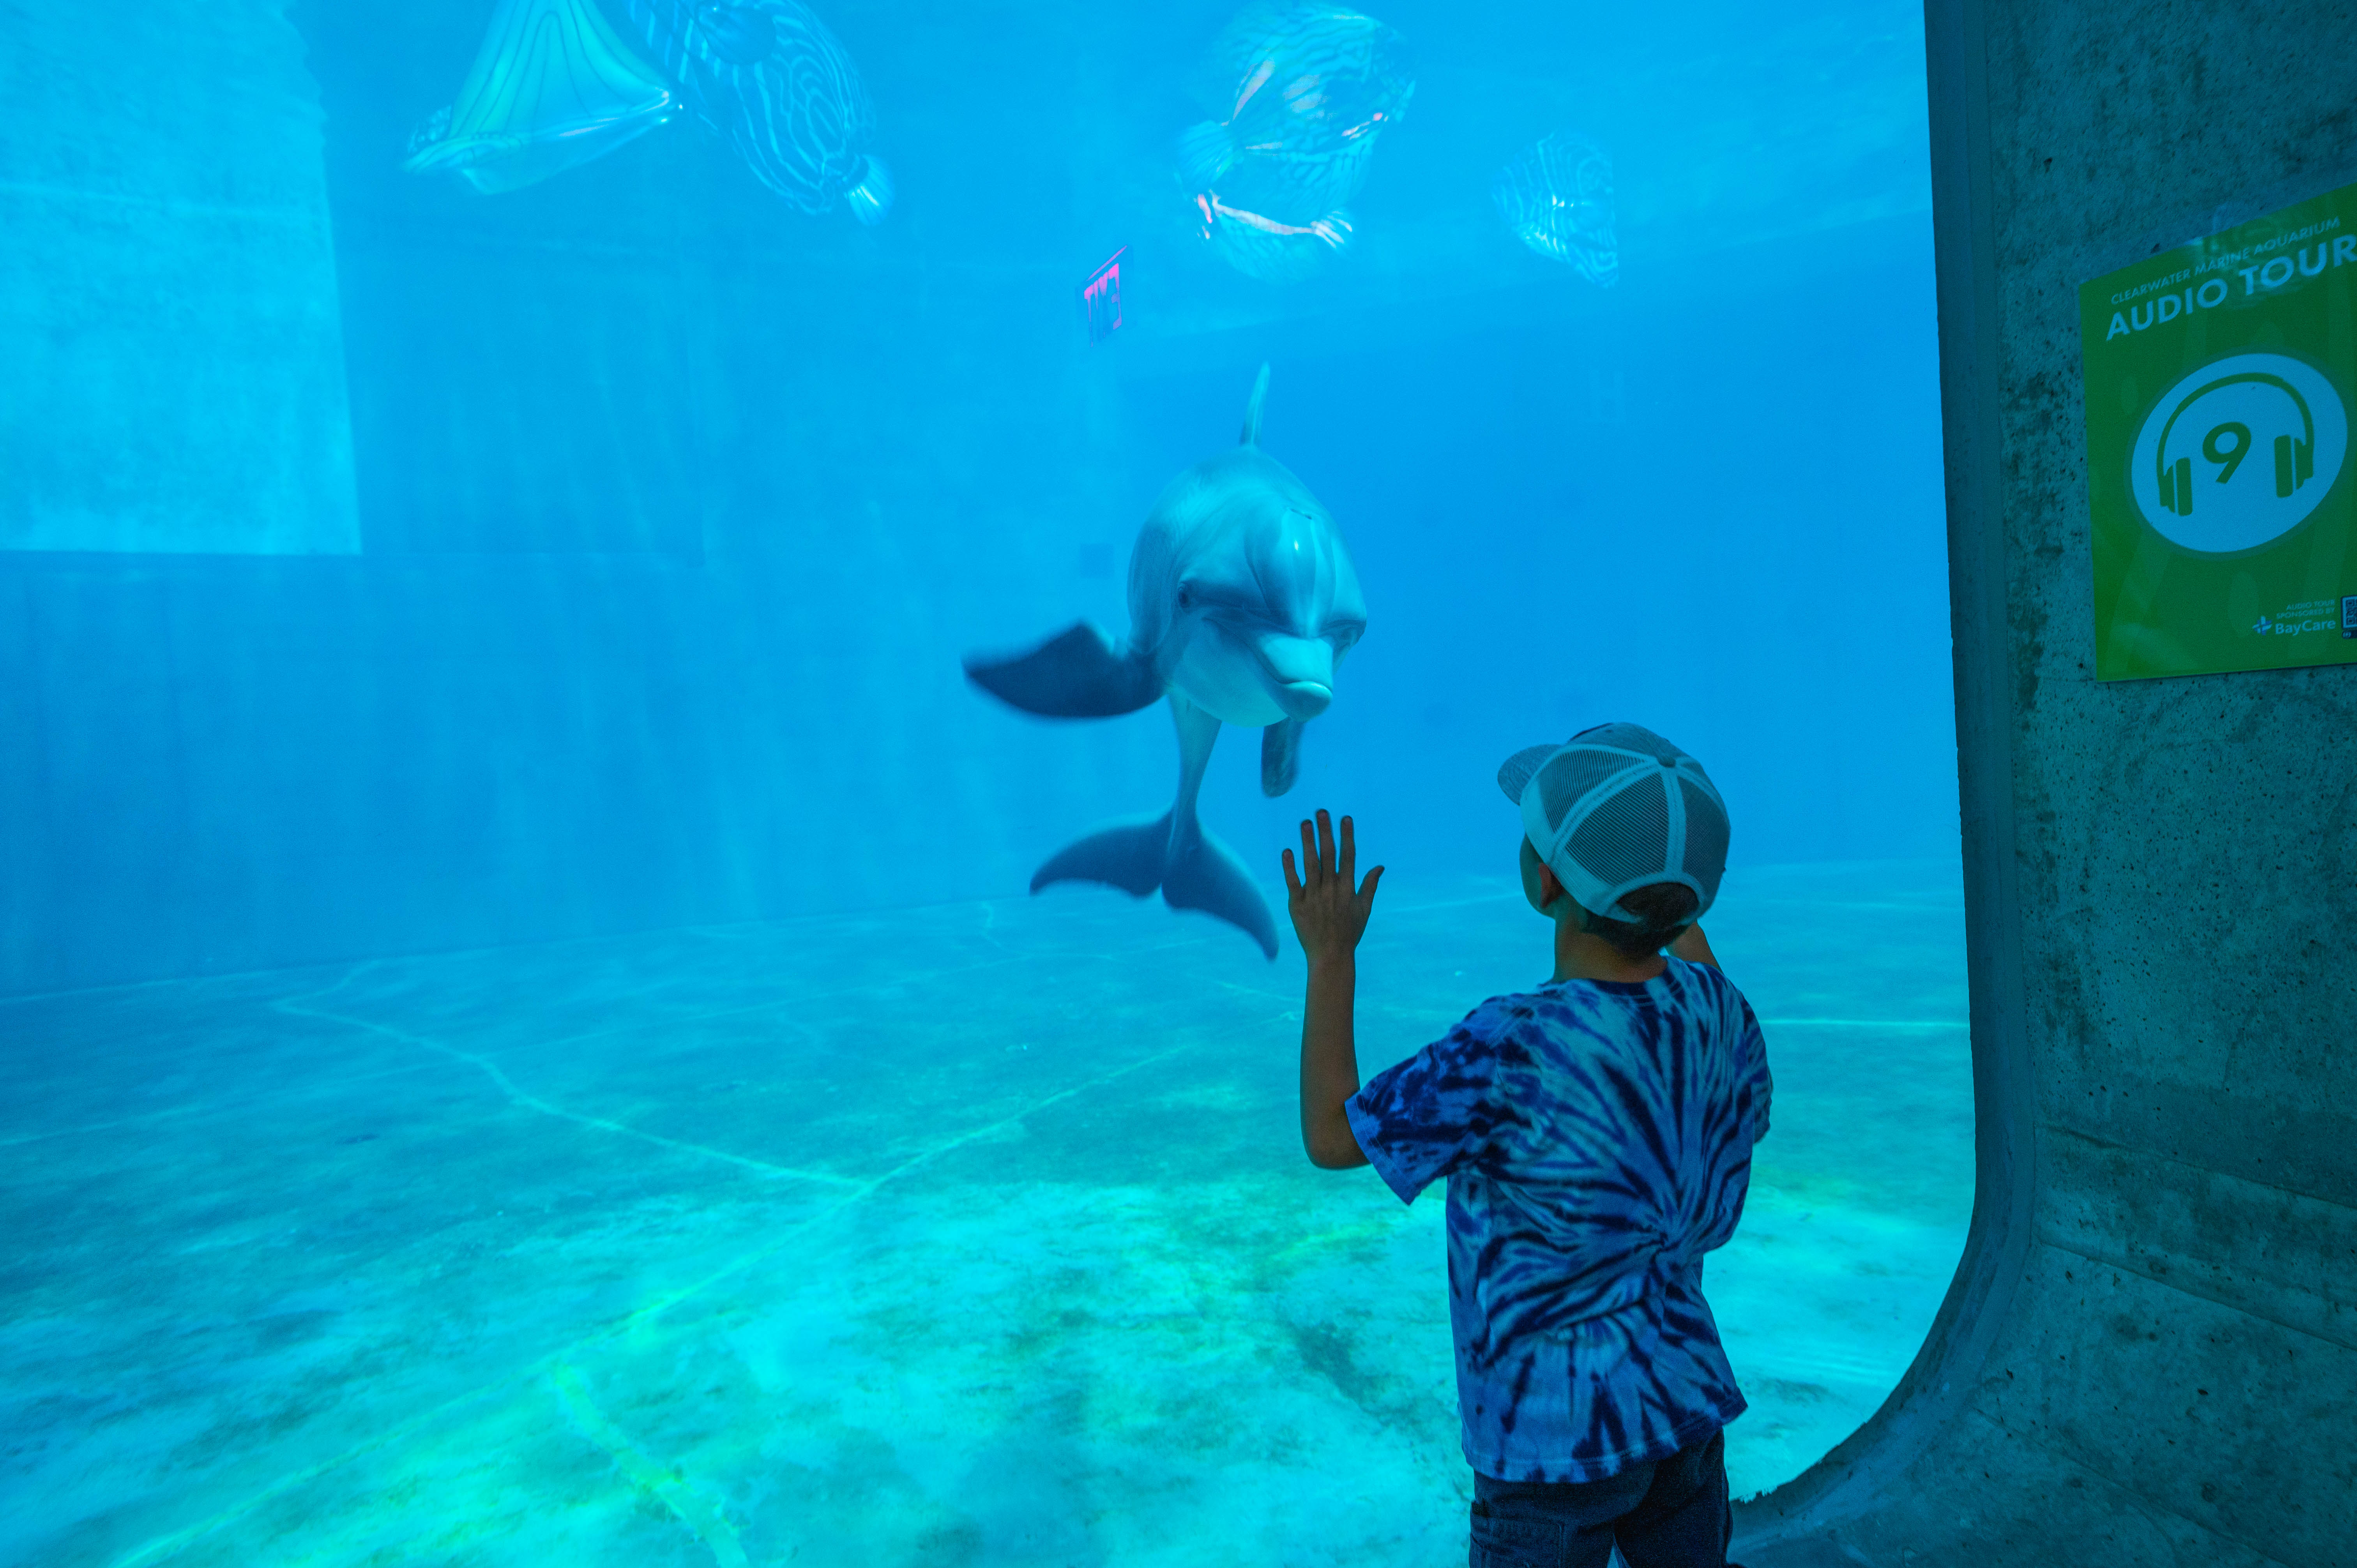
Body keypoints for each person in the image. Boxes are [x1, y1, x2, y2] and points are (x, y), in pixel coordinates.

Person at [1279, 722, 1770, 1568]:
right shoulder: (1723, 1013)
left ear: (1544, 880)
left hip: (1548, 1444)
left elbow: (1332, 1134)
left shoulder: (1509, 1045)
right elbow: (1685, 949)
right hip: (1685, 1407)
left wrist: (1331, 956)